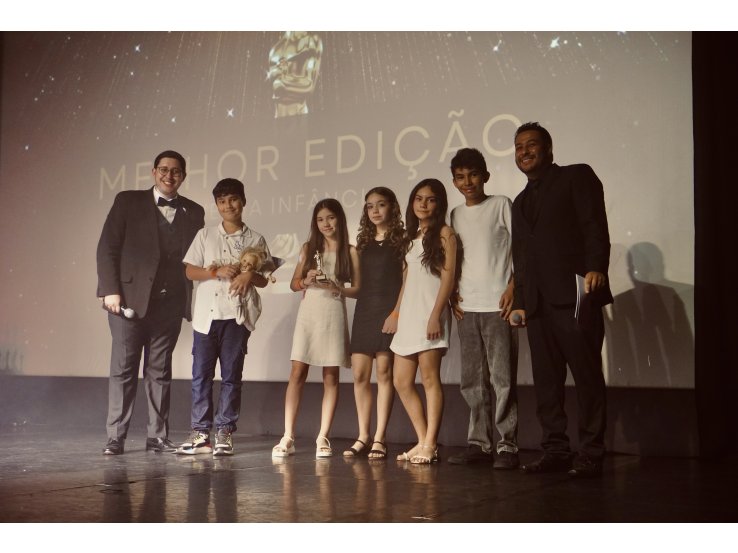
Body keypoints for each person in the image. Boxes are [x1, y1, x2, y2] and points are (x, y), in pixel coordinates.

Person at [509, 122, 613, 477]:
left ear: (548, 149)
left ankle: (592, 451)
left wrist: (596, 267)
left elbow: (593, 225)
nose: (524, 151)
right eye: (519, 147)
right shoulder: (520, 202)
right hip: (538, 304)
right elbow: (521, 257)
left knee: (586, 375)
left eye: (531, 145)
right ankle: (555, 449)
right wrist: (520, 300)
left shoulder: (576, 176)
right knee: (547, 382)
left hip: (576, 292)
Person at [96, 150, 205, 455]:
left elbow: (196, 258)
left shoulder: (195, 212)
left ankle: (157, 436)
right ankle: (115, 437)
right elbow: (107, 248)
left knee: (160, 372)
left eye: (176, 171)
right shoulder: (127, 201)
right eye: (164, 170)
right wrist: (110, 290)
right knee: (124, 370)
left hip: (169, 305)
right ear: (154, 172)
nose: (169, 176)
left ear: (183, 176)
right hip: (128, 302)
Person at [177, 178, 273, 457]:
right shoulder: (205, 235)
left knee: (231, 376)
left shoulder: (256, 239)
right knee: (201, 376)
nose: (228, 205)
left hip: (236, 317)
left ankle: (225, 432)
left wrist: (248, 275)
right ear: (216, 205)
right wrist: (215, 272)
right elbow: (189, 271)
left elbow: (264, 279)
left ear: (243, 201)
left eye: (233, 199)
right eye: (222, 201)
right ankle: (200, 433)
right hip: (206, 317)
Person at [447, 148, 520, 469]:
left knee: (502, 379)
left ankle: (507, 445)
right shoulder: (454, 215)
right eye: (461, 177)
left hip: (497, 306)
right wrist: (452, 295)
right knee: (472, 381)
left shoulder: (501, 204)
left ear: (485, 176)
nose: (468, 182)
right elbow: (452, 262)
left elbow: (522, 249)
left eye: (473, 175)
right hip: (467, 307)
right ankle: (479, 443)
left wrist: (514, 287)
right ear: (454, 181)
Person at [272, 199, 360, 459]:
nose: (326, 224)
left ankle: (323, 436)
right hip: (309, 313)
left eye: (330, 218)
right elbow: (293, 284)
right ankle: (288, 435)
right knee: (297, 372)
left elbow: (358, 289)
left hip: (333, 312)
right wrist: (305, 280)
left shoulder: (350, 251)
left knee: (331, 376)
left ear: (339, 219)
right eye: (320, 219)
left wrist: (337, 287)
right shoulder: (308, 248)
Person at [391, 179, 457, 464]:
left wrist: (435, 315)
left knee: (430, 379)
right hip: (409, 314)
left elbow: (448, 278)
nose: (423, 204)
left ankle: (430, 444)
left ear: (439, 204)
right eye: (418, 198)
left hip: (431, 313)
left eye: (430, 199)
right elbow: (407, 280)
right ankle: (422, 440)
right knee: (401, 381)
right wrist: (396, 313)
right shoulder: (411, 237)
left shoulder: (445, 233)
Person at [344, 187, 405, 460]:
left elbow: (406, 281)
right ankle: (363, 436)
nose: (375, 210)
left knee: (384, 373)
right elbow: (357, 285)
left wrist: (396, 313)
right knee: (359, 374)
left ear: (392, 207)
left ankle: (380, 437)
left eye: (381, 204)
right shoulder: (362, 244)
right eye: (370, 206)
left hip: (388, 310)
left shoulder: (402, 241)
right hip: (365, 311)